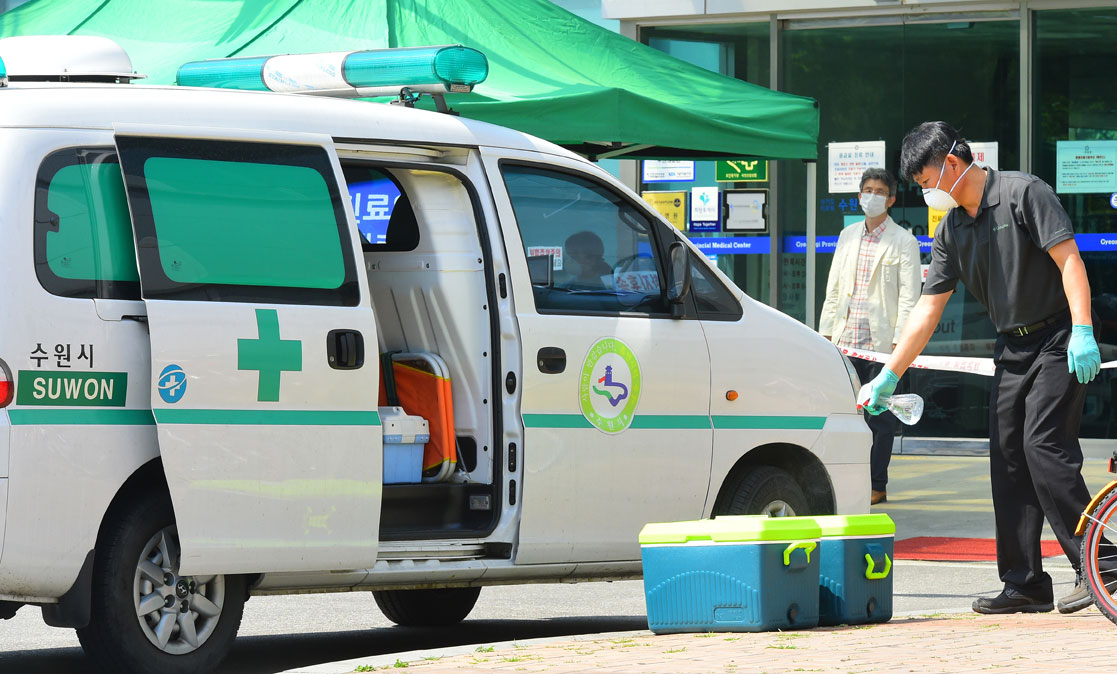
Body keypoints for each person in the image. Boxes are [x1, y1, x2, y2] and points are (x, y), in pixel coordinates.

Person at [863, 121, 1102, 616]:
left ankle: (1102, 565)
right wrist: (889, 374)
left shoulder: (1023, 193)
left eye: (926, 179)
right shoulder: (952, 228)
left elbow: (1070, 261)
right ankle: (1026, 585)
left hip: (1059, 337)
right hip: (1011, 348)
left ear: (951, 163)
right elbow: (929, 308)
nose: (925, 190)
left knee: (1044, 445)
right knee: (1008, 458)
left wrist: (1083, 330)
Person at [819, 167, 921, 506]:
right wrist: (825, 336)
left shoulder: (903, 240)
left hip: (881, 347)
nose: (872, 196)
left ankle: (877, 484)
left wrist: (899, 343)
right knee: (844, 414)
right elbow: (833, 290)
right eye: (867, 189)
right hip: (845, 341)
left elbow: (910, 296)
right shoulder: (847, 235)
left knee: (880, 419)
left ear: (891, 199)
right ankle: (845, 482)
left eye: (879, 191)